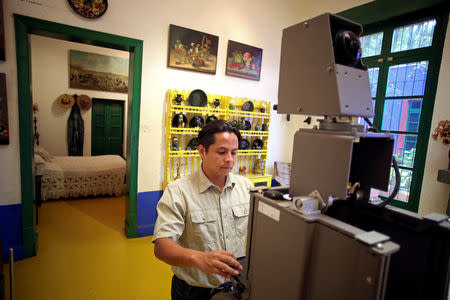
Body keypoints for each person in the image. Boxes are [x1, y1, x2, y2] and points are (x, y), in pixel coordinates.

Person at [153, 119, 253, 300]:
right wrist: (198, 258)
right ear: (202, 151)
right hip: (194, 291)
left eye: (234, 152)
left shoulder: (246, 187)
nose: (229, 159)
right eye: (221, 152)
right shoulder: (178, 191)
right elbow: (162, 246)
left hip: (239, 287)